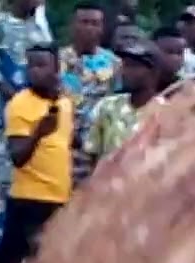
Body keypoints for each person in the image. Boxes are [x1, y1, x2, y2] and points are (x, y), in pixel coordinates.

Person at [0, 44, 73, 263]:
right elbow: (17, 156)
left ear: (56, 69)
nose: (34, 71)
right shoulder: (19, 104)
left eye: (42, 65)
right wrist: (39, 132)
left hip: (58, 199)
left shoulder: (65, 103)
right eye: (31, 65)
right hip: (28, 198)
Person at [0, 0, 50, 250]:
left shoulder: (39, 26)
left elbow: (48, 62)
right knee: (1, 179)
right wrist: (16, 98)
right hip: (3, 112)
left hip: (34, 115)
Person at [61, 1, 119, 185]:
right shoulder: (56, 60)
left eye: (95, 23)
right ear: (72, 25)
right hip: (62, 145)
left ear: (102, 28)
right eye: (84, 22)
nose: (89, 28)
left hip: (98, 147)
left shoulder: (114, 63)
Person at [85, 41, 158, 170]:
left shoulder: (165, 113)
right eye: (124, 65)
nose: (124, 72)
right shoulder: (107, 106)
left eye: (133, 66)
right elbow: (92, 155)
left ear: (152, 72)